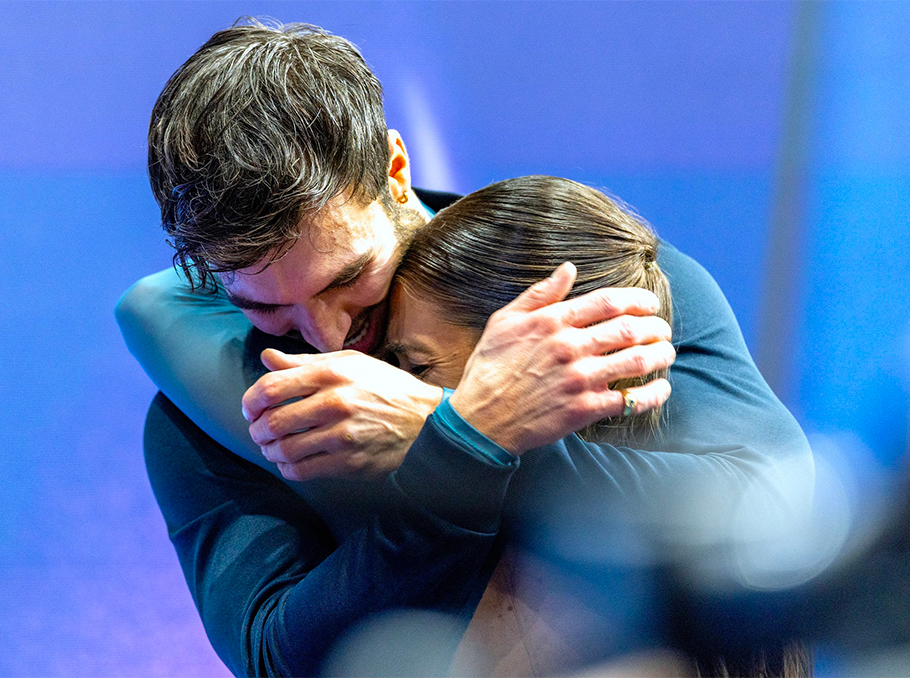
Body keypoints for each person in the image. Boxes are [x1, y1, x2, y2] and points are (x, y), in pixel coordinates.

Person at [116, 19, 813, 677]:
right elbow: (278, 660)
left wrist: (447, 427)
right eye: (265, 306)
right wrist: (460, 444)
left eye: (349, 278)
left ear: (394, 170)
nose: (326, 337)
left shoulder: (573, 264)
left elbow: (775, 515)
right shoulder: (200, 410)